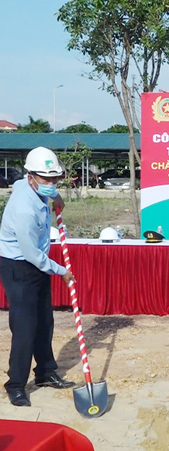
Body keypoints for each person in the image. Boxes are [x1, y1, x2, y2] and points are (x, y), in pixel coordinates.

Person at [0, 147, 76, 407]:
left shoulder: (30, 185)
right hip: (19, 266)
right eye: (47, 180)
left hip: (37, 263)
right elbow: (31, 254)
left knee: (45, 320)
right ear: (31, 176)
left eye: (55, 179)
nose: (51, 183)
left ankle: (45, 372)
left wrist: (56, 196)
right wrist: (62, 271)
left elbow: (48, 189)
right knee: (24, 327)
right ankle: (16, 384)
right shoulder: (24, 209)